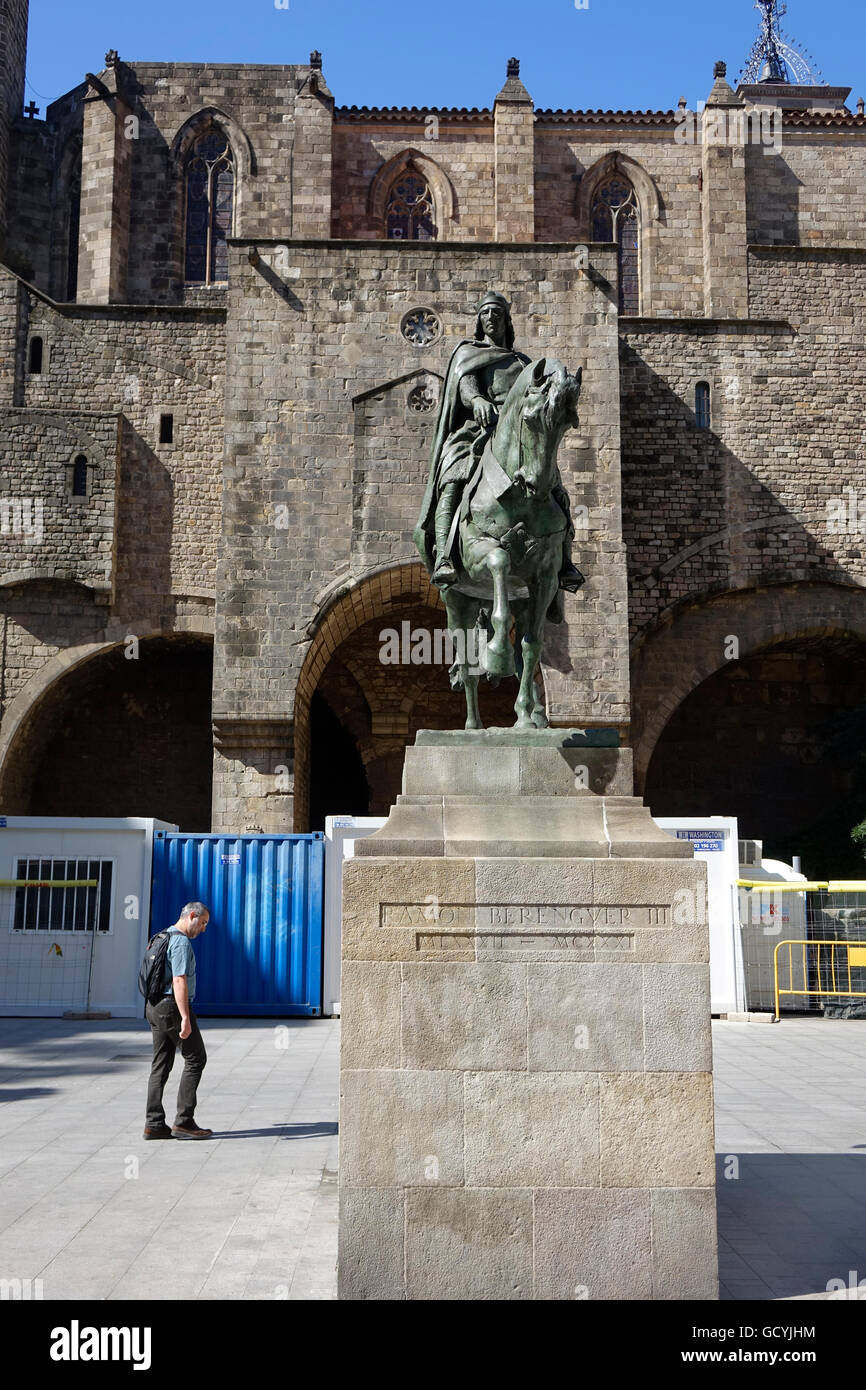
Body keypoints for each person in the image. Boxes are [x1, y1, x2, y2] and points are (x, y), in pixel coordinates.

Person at [413, 289, 584, 620]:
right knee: (452, 476)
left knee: (555, 488)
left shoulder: (523, 364)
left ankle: (563, 563)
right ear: (479, 320)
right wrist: (477, 401)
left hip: (516, 438)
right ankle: (447, 555)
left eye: (497, 313)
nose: (491, 318)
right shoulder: (469, 353)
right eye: (486, 313)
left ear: (506, 320)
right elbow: (465, 384)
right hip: (474, 433)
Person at [143, 901, 213, 1140]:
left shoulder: (161, 936)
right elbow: (179, 981)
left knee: (160, 1064)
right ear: (192, 916)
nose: (203, 929)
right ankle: (184, 1121)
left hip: (153, 1006)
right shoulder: (181, 941)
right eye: (202, 923)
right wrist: (185, 1017)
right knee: (196, 1058)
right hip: (172, 1006)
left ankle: (153, 1124)